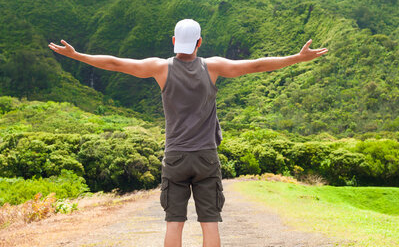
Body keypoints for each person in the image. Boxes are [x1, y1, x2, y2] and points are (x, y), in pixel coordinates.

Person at [48, 18, 328, 247]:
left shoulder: (161, 68)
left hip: (176, 159)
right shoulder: (213, 67)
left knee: (174, 222)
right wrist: (297, 58)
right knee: (210, 223)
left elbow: (116, 63)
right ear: (199, 42)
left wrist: (76, 55)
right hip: (207, 157)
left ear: (173, 42)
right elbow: (256, 65)